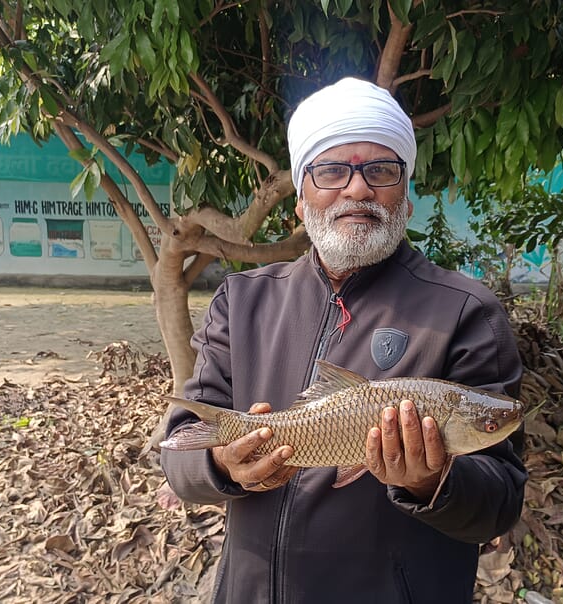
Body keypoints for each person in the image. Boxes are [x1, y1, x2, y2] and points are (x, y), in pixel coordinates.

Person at [160, 77, 526, 604]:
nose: (357, 189)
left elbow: (501, 501)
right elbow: (180, 452)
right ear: (300, 201)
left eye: (381, 170)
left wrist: (432, 482)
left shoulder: (467, 313)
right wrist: (221, 463)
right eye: (331, 171)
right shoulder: (241, 300)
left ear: (406, 197)